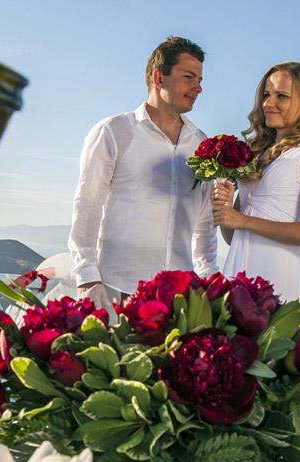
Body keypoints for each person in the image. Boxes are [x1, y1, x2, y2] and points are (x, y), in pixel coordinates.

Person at [68, 36, 219, 308]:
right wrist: (87, 277)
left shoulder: (201, 144)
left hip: (180, 295)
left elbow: (204, 221)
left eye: (200, 79)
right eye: (189, 77)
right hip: (118, 288)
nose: (198, 87)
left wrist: (207, 274)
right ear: (159, 78)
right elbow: (88, 204)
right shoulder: (113, 131)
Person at [211, 62, 300, 323]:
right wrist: (225, 210)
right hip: (240, 270)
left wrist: (243, 220)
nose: (269, 103)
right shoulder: (257, 155)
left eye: (281, 95)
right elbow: (232, 236)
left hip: (280, 276)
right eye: (266, 95)